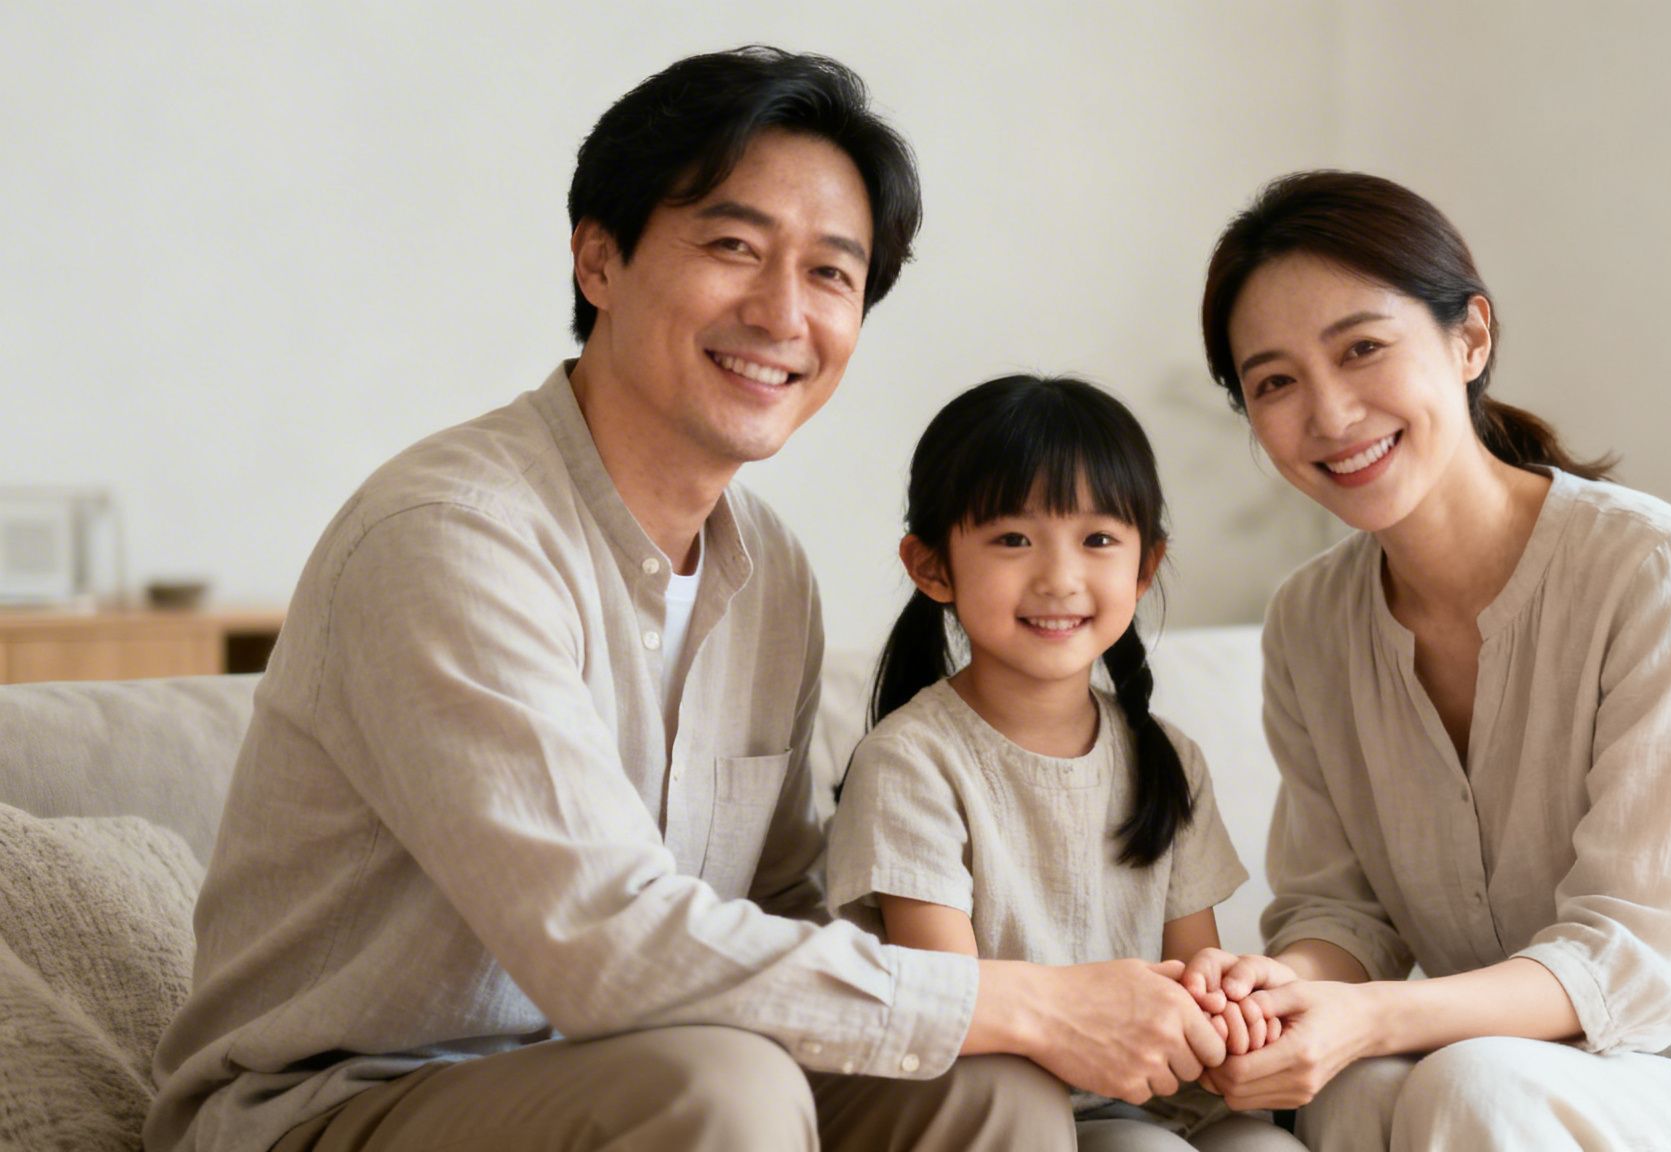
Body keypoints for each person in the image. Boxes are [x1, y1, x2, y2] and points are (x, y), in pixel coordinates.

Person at [146, 48, 1224, 1152]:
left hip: (633, 1063)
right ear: (598, 260)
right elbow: (601, 940)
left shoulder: (771, 573)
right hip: (341, 1102)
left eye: (830, 276)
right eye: (732, 246)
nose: (780, 312)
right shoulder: (449, 537)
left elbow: (782, 907)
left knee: (988, 1091)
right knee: (725, 1088)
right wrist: (1028, 1002)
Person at [1173, 171, 1671, 1151]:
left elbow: (1632, 957)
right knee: (1351, 1095)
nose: (1330, 412)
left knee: (1468, 1086)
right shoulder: (1308, 621)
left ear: (1468, 338)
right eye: (1273, 382)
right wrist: (1284, 989)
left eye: (1361, 348)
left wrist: (1377, 1020)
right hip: (1524, 1061)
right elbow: (1338, 909)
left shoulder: (1653, 572)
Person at [825, 376, 1307, 1152]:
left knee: (1269, 1147)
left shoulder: (1167, 759)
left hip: (1164, 1098)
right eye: (1013, 539)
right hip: (1008, 1107)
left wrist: (1229, 1007)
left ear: (1145, 567)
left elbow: (1193, 971)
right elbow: (947, 1002)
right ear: (932, 566)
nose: (1060, 577)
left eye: (1098, 539)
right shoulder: (912, 764)